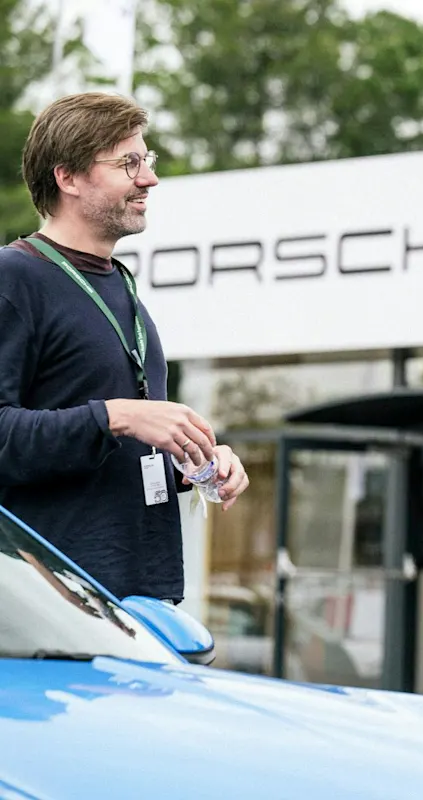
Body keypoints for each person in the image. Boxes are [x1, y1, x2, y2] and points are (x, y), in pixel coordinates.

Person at [0, 92, 249, 603]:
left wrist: (194, 461)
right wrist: (117, 417)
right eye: (128, 163)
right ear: (67, 177)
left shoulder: (122, 284)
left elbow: (109, 449)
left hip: (145, 602)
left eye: (147, 159)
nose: (149, 179)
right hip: (54, 608)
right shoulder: (14, 276)